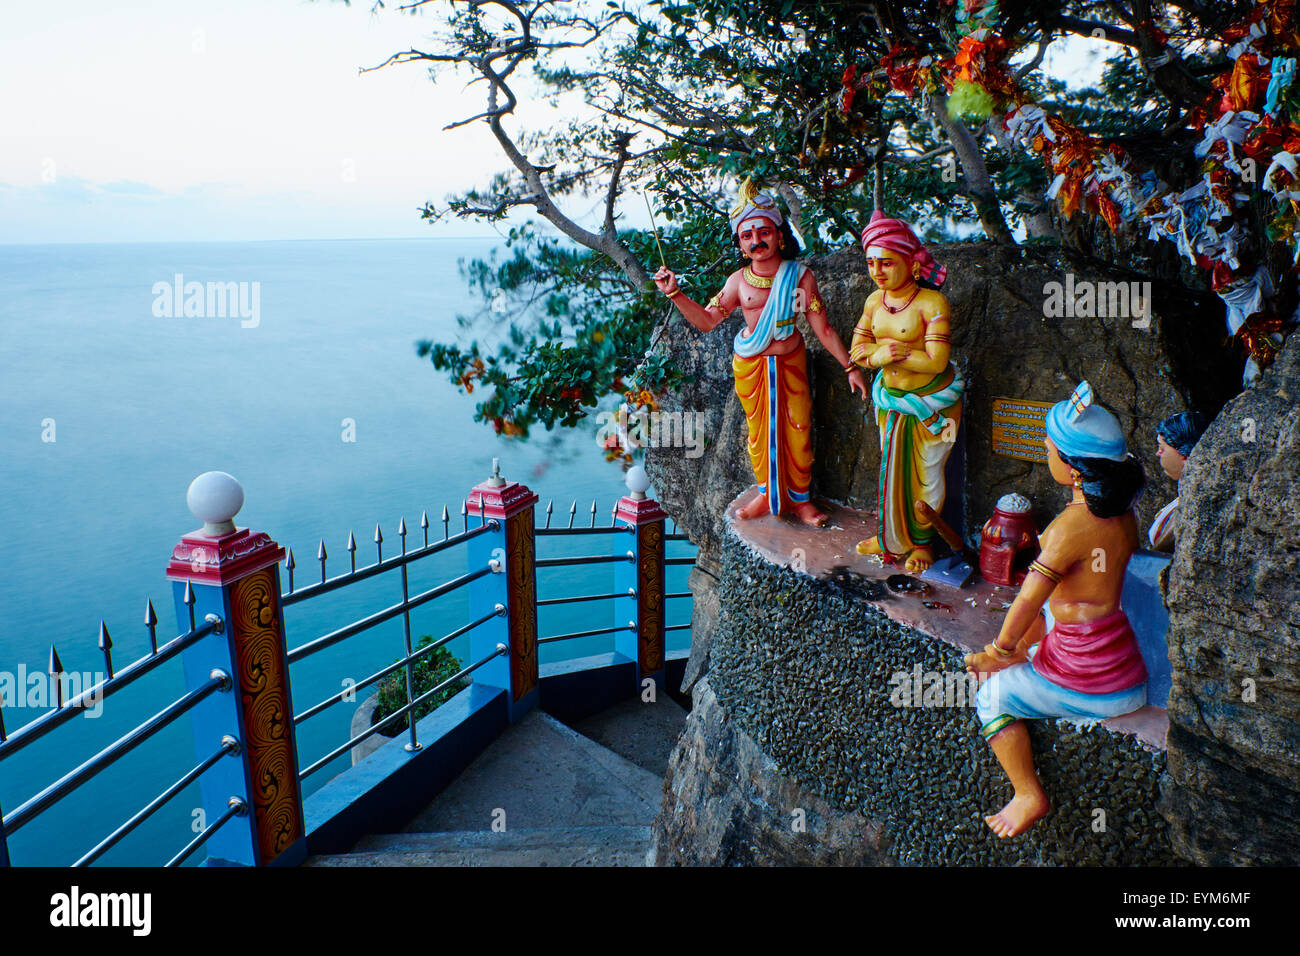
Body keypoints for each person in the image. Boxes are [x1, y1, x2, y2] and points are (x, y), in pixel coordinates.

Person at [964, 381, 1148, 838]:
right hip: (1118, 661)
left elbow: (1030, 596)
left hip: (1090, 680)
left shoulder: (1071, 527)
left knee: (991, 697)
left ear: (1075, 468)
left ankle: (1028, 792)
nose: (1045, 451)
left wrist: (1000, 649)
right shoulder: (1124, 516)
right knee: (1042, 630)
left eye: (1049, 447)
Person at [653, 178, 868, 526]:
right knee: (760, 435)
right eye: (747, 236)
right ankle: (767, 495)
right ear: (740, 243)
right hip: (752, 366)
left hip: (790, 362)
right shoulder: (738, 281)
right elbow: (708, 322)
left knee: (798, 429)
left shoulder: (799, 277)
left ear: (780, 235)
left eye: (764, 232)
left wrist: (850, 367)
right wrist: (675, 294)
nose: (757, 241)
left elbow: (823, 329)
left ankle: (801, 501)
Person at [850, 211, 964, 572]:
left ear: (912, 263)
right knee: (891, 472)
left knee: (927, 477)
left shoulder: (932, 304)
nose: (877, 271)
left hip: (932, 406)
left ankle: (922, 544)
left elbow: (937, 360)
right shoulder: (874, 302)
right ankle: (888, 536)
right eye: (871, 263)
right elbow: (857, 349)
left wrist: (895, 355)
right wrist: (878, 355)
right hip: (892, 402)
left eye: (886, 262)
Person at [1148, 410, 1208, 552]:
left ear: (1183, 455)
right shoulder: (1188, 494)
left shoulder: (1194, 501)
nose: (1158, 453)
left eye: (1162, 448)